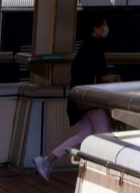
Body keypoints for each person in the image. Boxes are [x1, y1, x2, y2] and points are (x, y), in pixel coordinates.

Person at [34, 14, 117, 181]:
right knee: (104, 133)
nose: (105, 28)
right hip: (90, 99)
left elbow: (82, 73)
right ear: (95, 27)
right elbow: (97, 74)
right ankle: (102, 172)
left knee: (84, 133)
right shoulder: (95, 47)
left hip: (79, 99)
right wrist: (108, 78)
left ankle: (48, 159)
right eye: (103, 24)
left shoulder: (86, 46)